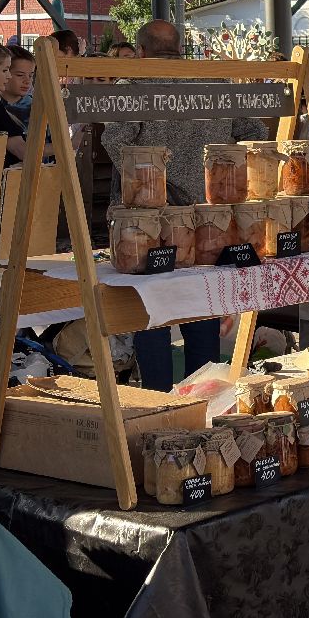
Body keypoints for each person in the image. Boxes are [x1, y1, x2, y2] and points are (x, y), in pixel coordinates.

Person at [103, 20, 264, 390]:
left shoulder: (134, 87)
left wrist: (153, 181)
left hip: (149, 222)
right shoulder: (214, 84)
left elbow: (114, 143)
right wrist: (220, 168)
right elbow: (255, 132)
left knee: (152, 313)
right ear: (179, 49)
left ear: (140, 52)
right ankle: (202, 398)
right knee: (201, 305)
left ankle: (159, 403)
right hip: (210, 216)